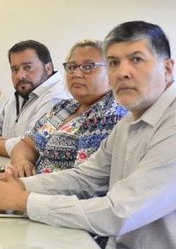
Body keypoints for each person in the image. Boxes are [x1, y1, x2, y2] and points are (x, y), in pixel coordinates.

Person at [0, 21, 176, 249]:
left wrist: (23, 201)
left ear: (168, 69)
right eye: (114, 62)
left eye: (136, 59)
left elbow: (117, 212)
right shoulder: (131, 121)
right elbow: (84, 176)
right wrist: (17, 186)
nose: (122, 72)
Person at [10, 39, 126, 176]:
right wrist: (22, 163)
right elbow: (26, 144)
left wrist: (25, 186)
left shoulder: (110, 113)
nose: (76, 74)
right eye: (72, 67)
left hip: (53, 188)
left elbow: (83, 179)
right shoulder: (64, 107)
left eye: (88, 67)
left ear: (112, 72)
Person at [0, 40, 69, 156]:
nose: (20, 76)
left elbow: (31, 144)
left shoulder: (57, 97)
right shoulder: (24, 92)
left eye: (28, 67)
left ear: (48, 68)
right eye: (15, 69)